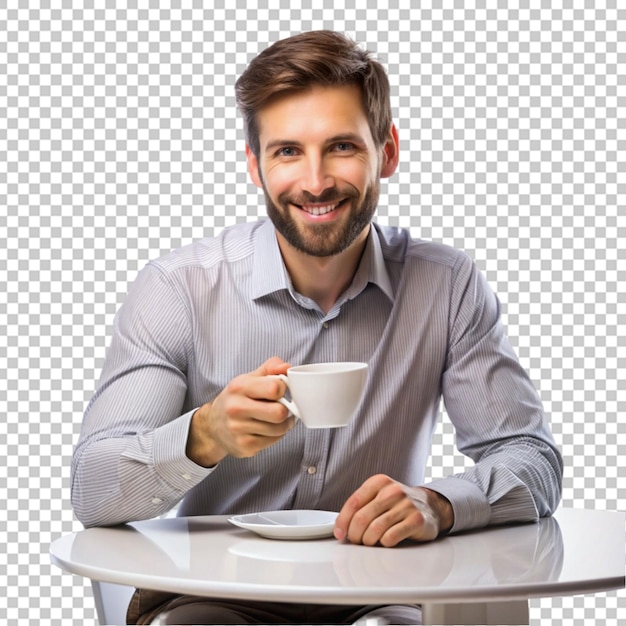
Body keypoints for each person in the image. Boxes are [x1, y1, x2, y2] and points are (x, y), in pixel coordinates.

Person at [71, 30, 563, 625]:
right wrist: (203, 435)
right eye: (286, 152)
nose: (315, 181)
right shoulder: (179, 289)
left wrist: (440, 503)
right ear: (254, 165)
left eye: (341, 148)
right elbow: (93, 489)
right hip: (211, 596)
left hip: (382, 594)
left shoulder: (446, 285)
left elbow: (528, 456)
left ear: (388, 152)